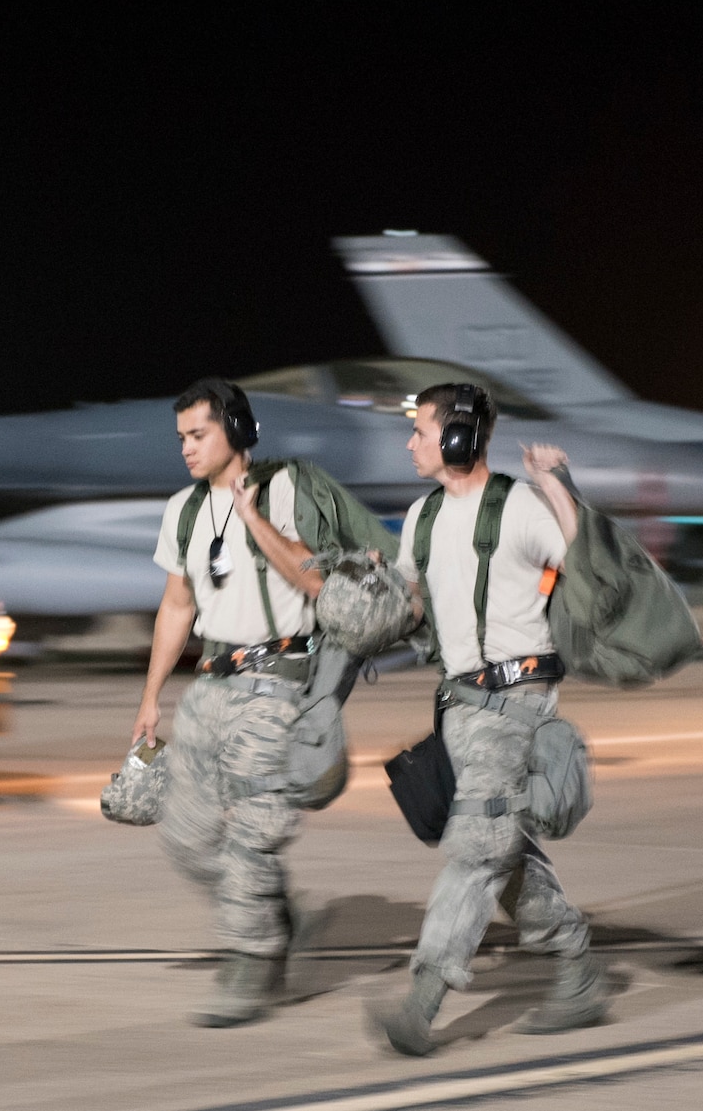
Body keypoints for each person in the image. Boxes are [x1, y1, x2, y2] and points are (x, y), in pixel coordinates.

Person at [371, 383, 609, 1056]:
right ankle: (578, 970)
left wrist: (556, 483)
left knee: (476, 846)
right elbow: (413, 601)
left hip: (516, 704)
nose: (410, 443)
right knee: (501, 852)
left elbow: (589, 560)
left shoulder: (521, 507)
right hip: (459, 709)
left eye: (420, 430)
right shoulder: (420, 518)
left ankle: (422, 1003)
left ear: (459, 436)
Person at [133, 377, 327, 1027]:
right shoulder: (182, 510)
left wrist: (251, 514)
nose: (186, 449)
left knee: (251, 833)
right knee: (185, 836)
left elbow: (311, 573)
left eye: (199, 434)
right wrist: (151, 696)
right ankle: (268, 907)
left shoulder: (287, 490)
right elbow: (177, 605)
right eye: (181, 437)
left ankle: (251, 958)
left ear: (237, 432)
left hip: (277, 676)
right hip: (212, 681)